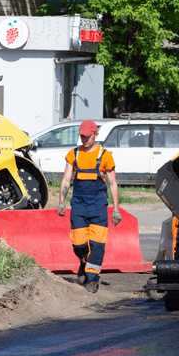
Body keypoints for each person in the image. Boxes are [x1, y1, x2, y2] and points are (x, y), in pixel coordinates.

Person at [57, 120, 121, 293]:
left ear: (96, 135)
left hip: (98, 204)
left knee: (98, 243)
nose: (84, 139)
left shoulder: (105, 155)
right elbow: (66, 179)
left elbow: (113, 183)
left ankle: (92, 278)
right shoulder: (74, 154)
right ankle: (83, 262)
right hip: (78, 203)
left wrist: (116, 209)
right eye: (82, 136)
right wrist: (62, 200)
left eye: (87, 136)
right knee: (78, 243)